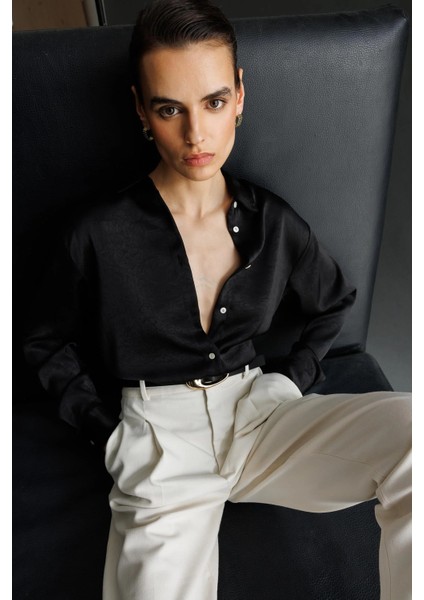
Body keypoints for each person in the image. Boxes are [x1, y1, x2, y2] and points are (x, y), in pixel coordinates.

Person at [23, 1, 411, 599]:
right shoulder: (96, 234)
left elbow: (334, 299)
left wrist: (291, 380)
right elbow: (45, 341)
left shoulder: (271, 222)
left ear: (239, 97)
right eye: (169, 109)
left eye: (213, 102)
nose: (196, 135)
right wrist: (108, 432)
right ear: (141, 110)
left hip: (259, 415)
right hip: (159, 440)